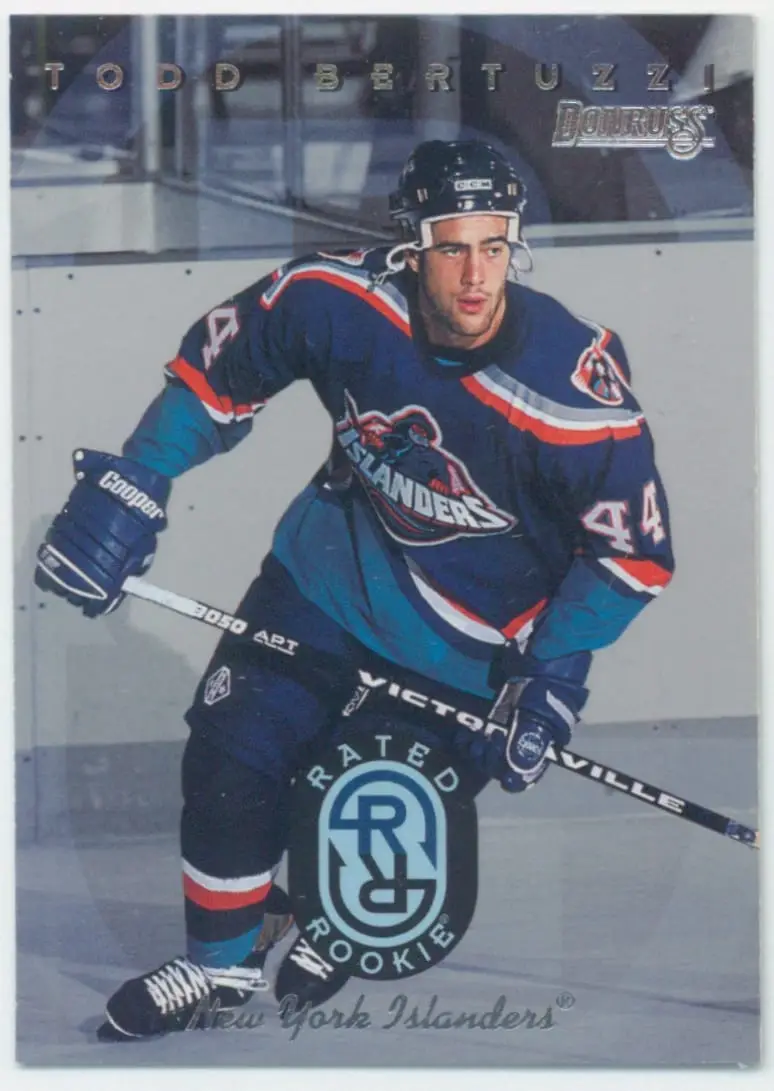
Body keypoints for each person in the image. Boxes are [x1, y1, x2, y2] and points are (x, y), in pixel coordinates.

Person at [35, 140, 674, 1040]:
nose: (476, 276)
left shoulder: (573, 397)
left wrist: (554, 675)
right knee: (231, 757)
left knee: (375, 800)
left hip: (474, 638)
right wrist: (140, 480)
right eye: (452, 248)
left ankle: (330, 913)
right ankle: (217, 965)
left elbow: (631, 557)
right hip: (329, 576)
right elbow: (217, 377)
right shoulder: (335, 298)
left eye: (495, 247)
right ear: (411, 247)